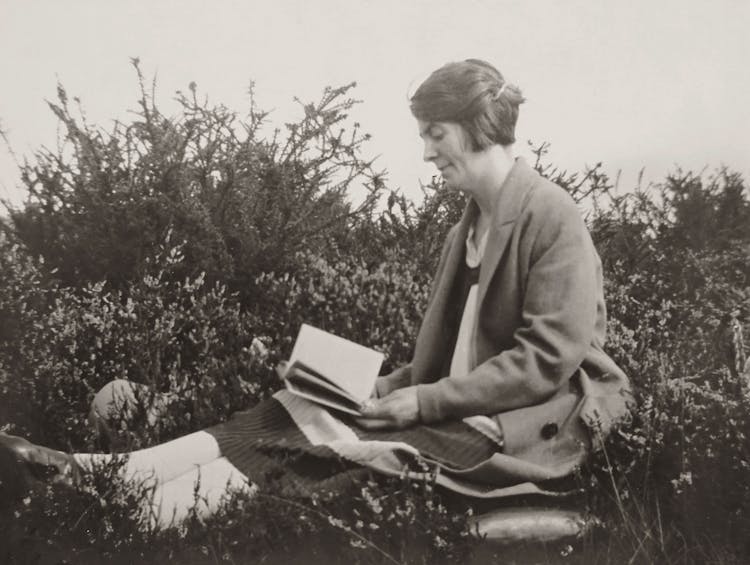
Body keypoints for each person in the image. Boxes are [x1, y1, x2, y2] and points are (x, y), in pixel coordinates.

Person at [0, 59, 630, 529]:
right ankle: (88, 473)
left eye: (435, 133)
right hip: (456, 408)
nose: (427, 149)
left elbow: (550, 358)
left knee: (319, 451)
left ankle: (126, 513)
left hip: (517, 430)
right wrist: (377, 388)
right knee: (283, 415)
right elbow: (458, 356)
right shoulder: (469, 223)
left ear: (475, 127)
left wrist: (420, 402)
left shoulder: (551, 213)